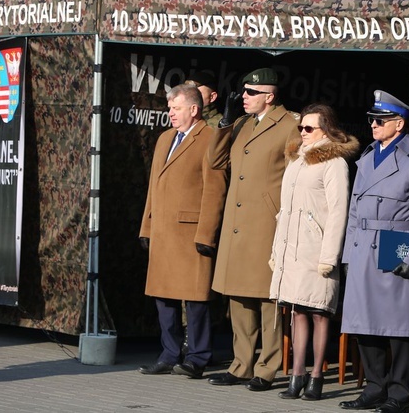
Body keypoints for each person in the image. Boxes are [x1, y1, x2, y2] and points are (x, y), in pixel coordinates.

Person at [339, 90, 409, 413]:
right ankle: (374, 385)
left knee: (398, 322)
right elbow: (354, 209)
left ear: (399, 123)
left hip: (398, 241)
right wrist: (347, 255)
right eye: (371, 119)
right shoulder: (366, 156)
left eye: (380, 120)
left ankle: (399, 392)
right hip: (364, 242)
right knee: (364, 318)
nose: (373, 124)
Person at [208, 67, 299, 392]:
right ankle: (241, 364)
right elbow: (216, 162)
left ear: (269, 96)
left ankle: (267, 367)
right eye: (243, 92)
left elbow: (294, 179)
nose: (243, 97)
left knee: (266, 300)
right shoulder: (242, 123)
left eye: (250, 93)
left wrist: (284, 222)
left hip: (265, 225)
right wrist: (225, 123)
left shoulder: (290, 125)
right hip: (238, 225)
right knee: (239, 298)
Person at [137, 83, 229, 378]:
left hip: (191, 233)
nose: (170, 113)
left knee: (196, 299)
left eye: (175, 108)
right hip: (163, 232)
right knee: (163, 297)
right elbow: (154, 185)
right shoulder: (165, 138)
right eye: (169, 108)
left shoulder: (210, 138)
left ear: (194, 109)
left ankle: (198, 357)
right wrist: (146, 225)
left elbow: (215, 190)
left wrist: (207, 234)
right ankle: (169, 353)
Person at [269, 103, 360, 401]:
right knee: (297, 311)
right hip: (293, 248)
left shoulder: (334, 162)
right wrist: (276, 250)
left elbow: (338, 212)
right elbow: (286, 210)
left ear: (326, 129)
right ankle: (297, 374)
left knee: (320, 312)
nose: (303, 133)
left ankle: (317, 376)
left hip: (317, 249)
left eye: (309, 128)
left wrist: (328, 256)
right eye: (301, 127)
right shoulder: (296, 160)